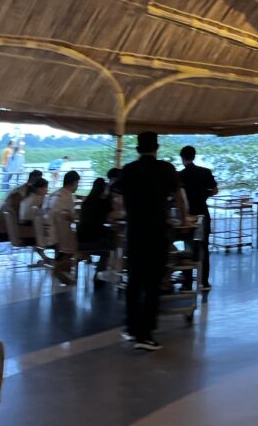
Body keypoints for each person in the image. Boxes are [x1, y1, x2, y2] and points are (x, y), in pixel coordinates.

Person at [114, 132, 181, 351]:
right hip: (157, 232)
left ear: (137, 149)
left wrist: (125, 212)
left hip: (135, 233)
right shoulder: (166, 169)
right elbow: (179, 196)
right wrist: (181, 218)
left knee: (134, 281)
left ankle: (131, 327)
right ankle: (145, 334)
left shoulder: (129, 170)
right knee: (153, 283)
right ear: (157, 148)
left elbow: (116, 194)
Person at [178, 146, 218, 292]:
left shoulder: (180, 175)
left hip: (188, 215)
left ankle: (187, 283)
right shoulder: (205, 172)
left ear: (182, 158)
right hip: (203, 212)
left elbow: (177, 197)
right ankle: (204, 282)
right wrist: (205, 195)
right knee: (204, 247)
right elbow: (215, 190)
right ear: (194, 156)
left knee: (188, 248)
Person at [44, 170, 80, 285]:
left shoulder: (55, 194)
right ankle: (63, 270)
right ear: (73, 183)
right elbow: (72, 217)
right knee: (77, 240)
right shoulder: (68, 196)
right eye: (77, 183)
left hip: (46, 231)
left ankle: (61, 268)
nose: (77, 186)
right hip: (59, 234)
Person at [77, 178, 116, 273]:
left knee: (108, 234)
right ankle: (101, 272)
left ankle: (97, 265)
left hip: (80, 239)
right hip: (93, 239)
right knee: (110, 244)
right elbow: (114, 216)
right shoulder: (103, 203)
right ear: (104, 189)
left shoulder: (86, 202)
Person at [0, 169, 42, 242]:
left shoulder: (21, 190)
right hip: (5, 232)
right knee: (39, 232)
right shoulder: (20, 192)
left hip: (4, 229)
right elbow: (16, 215)